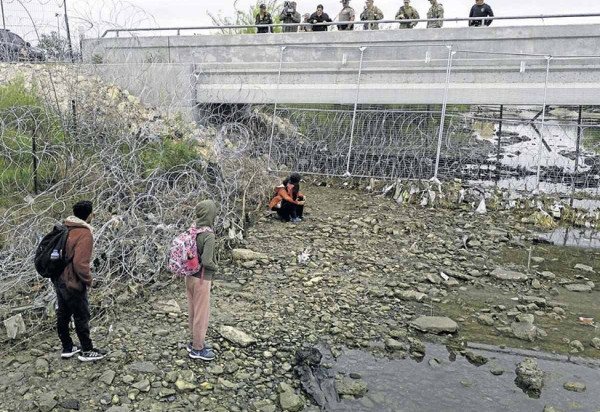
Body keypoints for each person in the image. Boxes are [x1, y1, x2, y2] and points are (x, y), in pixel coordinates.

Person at [53, 201, 106, 362]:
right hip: (73, 282)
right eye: (93, 212)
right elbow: (80, 264)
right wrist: (89, 280)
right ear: (89, 215)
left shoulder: (66, 227)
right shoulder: (84, 234)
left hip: (59, 279)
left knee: (63, 314)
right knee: (81, 315)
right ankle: (87, 350)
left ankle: (67, 347)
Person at [186, 200, 218, 361]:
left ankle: (192, 342)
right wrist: (216, 268)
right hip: (202, 279)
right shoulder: (208, 235)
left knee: (193, 311)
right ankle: (198, 349)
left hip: (189, 277)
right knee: (202, 314)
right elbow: (207, 261)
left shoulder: (193, 229)